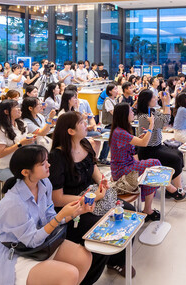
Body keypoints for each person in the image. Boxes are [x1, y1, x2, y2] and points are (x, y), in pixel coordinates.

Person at [0, 145, 93, 285]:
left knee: (84, 257)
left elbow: (49, 217)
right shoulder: (13, 204)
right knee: (69, 274)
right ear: (25, 172)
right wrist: (60, 216)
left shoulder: (44, 183)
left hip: (39, 243)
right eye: (42, 163)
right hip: (15, 253)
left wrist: (77, 211)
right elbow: (32, 240)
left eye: (47, 160)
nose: (48, 165)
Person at [48, 111, 134, 280]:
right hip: (73, 209)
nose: (86, 124)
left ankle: (116, 260)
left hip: (93, 197)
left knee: (129, 211)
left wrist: (103, 183)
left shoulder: (85, 144)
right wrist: (92, 197)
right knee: (104, 227)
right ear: (70, 131)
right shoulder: (57, 158)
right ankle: (87, 277)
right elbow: (57, 199)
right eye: (81, 123)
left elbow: (94, 171)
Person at [108, 103, 161, 221]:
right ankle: (148, 209)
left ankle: (148, 209)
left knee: (151, 170)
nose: (133, 113)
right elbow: (144, 143)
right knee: (155, 164)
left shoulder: (121, 130)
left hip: (128, 165)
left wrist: (140, 138)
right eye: (130, 111)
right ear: (124, 115)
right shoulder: (120, 132)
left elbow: (135, 145)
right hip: (122, 170)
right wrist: (151, 125)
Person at [134, 90, 186, 200]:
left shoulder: (152, 111)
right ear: (147, 101)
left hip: (157, 146)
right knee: (175, 159)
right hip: (148, 150)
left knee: (178, 153)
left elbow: (164, 118)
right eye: (153, 98)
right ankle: (177, 191)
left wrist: (165, 104)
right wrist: (166, 103)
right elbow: (164, 122)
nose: (156, 99)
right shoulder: (144, 117)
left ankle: (173, 186)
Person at [0, 100, 36, 181]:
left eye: (19, 107)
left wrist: (30, 141)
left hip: (19, 165)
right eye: (16, 107)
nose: (19, 109)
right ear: (6, 111)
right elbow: (0, 154)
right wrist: (20, 143)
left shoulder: (21, 124)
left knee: (37, 176)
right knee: (22, 181)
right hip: (3, 168)